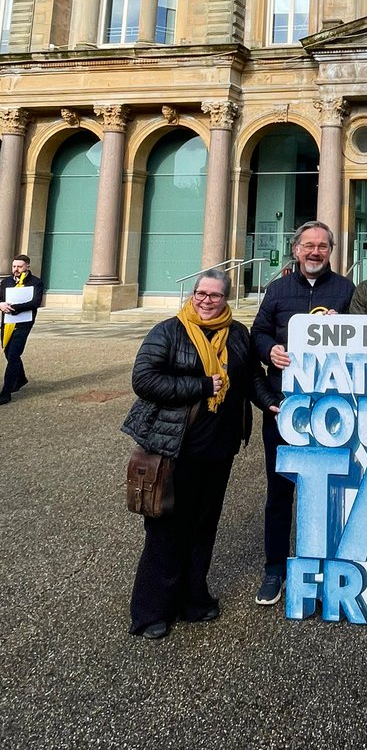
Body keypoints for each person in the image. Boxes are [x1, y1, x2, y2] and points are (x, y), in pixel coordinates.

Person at [123, 269, 281, 640]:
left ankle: (193, 597)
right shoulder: (170, 330)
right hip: (174, 448)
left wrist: (270, 403)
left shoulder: (237, 334)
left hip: (218, 450)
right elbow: (143, 379)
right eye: (200, 294)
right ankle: (150, 611)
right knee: (166, 528)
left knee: (203, 526)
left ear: (226, 299)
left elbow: (251, 378)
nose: (206, 301)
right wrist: (199, 384)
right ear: (192, 295)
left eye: (214, 295)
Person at [250, 221, 354, 605]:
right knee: (279, 493)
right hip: (283, 406)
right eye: (308, 246)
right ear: (295, 250)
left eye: (322, 246)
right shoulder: (278, 289)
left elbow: (363, 341)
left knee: (331, 489)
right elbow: (258, 332)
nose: (315, 252)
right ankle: (275, 568)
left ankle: (326, 564)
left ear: (331, 251)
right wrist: (268, 351)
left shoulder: (345, 289)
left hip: (331, 409)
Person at [0, 254, 44, 406]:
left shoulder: (36, 282)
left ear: (27, 266)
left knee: (13, 355)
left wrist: (14, 308)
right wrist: (1, 305)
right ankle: (21, 379)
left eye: (19, 266)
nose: (16, 269)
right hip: (6, 323)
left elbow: (35, 302)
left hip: (24, 323)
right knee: (8, 352)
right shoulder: (6, 282)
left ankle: (5, 392)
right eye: (14, 266)